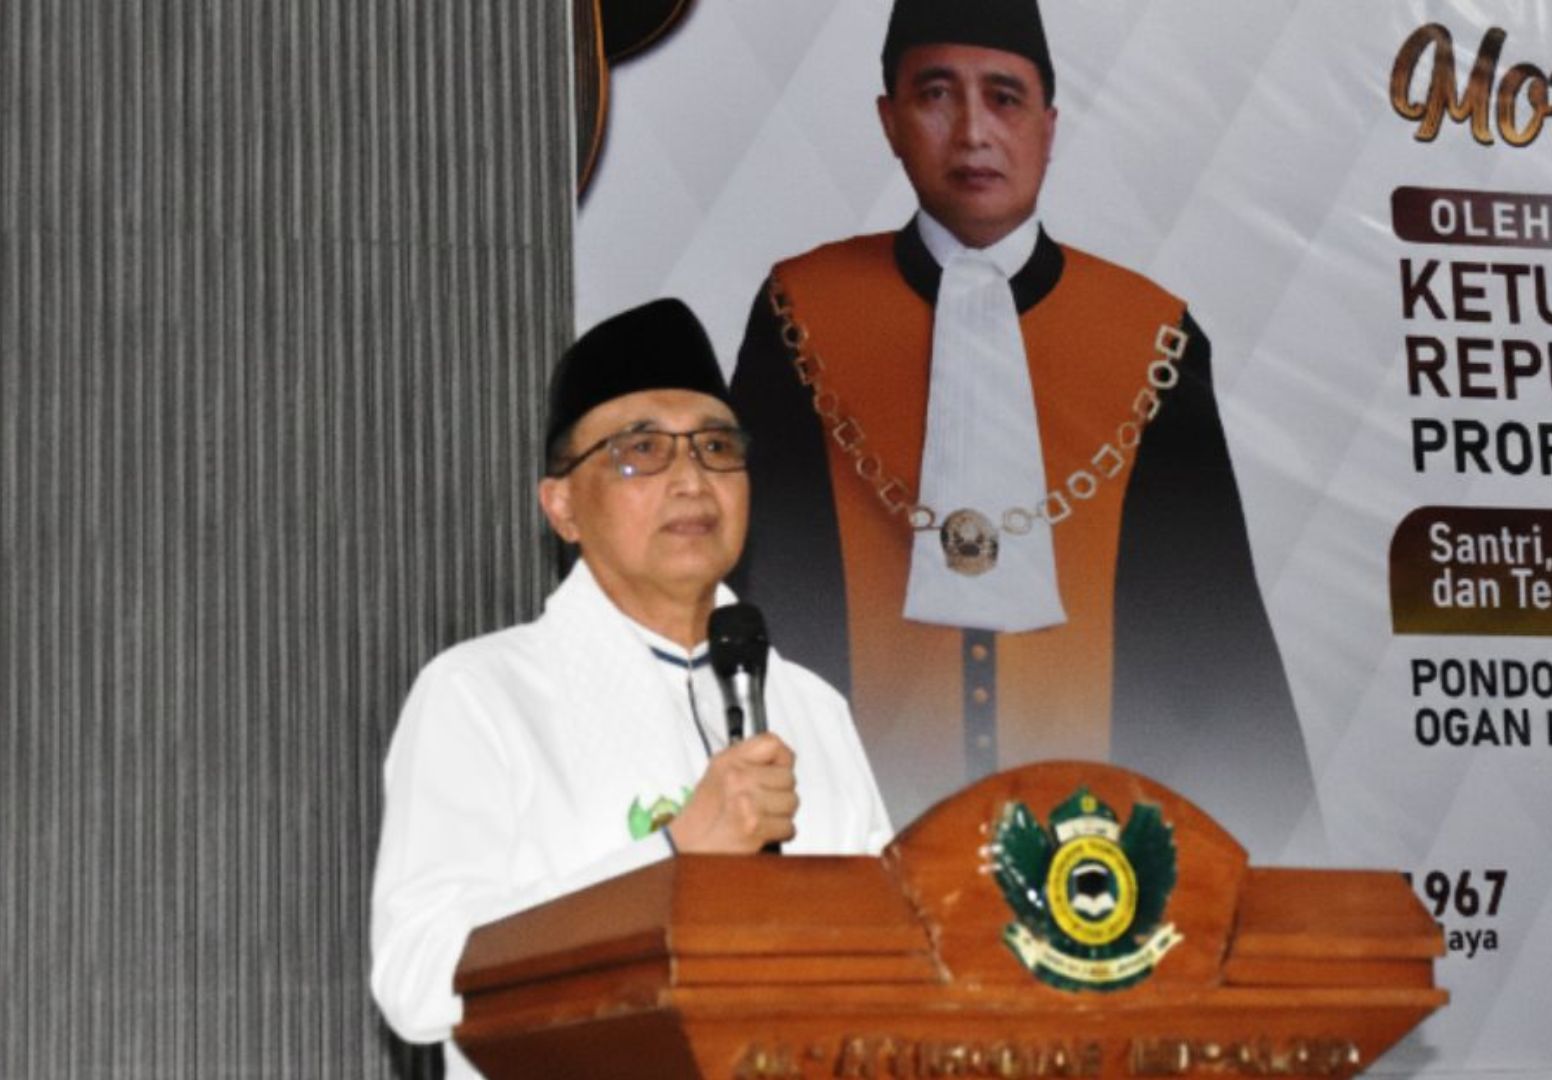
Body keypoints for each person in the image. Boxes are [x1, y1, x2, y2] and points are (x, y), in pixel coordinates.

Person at [729, 0, 1315, 848]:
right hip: (857, 837)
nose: (973, 133)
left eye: (1004, 98)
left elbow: (1207, 633)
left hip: (1096, 851)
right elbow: (764, 597)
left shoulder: (1150, 334)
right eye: (937, 94)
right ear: (889, 121)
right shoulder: (803, 314)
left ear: (1049, 125)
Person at [369, 299, 891, 1079]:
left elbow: (885, 974)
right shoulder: (482, 695)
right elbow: (418, 978)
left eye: (716, 446)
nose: (690, 479)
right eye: (641, 450)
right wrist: (672, 855)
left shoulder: (812, 707)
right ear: (562, 507)